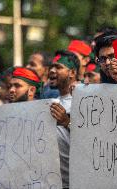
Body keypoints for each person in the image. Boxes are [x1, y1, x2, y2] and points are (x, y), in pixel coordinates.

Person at [49, 50, 80, 188]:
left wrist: (67, 122)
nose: (52, 70)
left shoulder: (82, 100)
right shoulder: (51, 102)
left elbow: (92, 138)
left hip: (75, 182)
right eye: (51, 67)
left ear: (72, 73)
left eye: (58, 67)